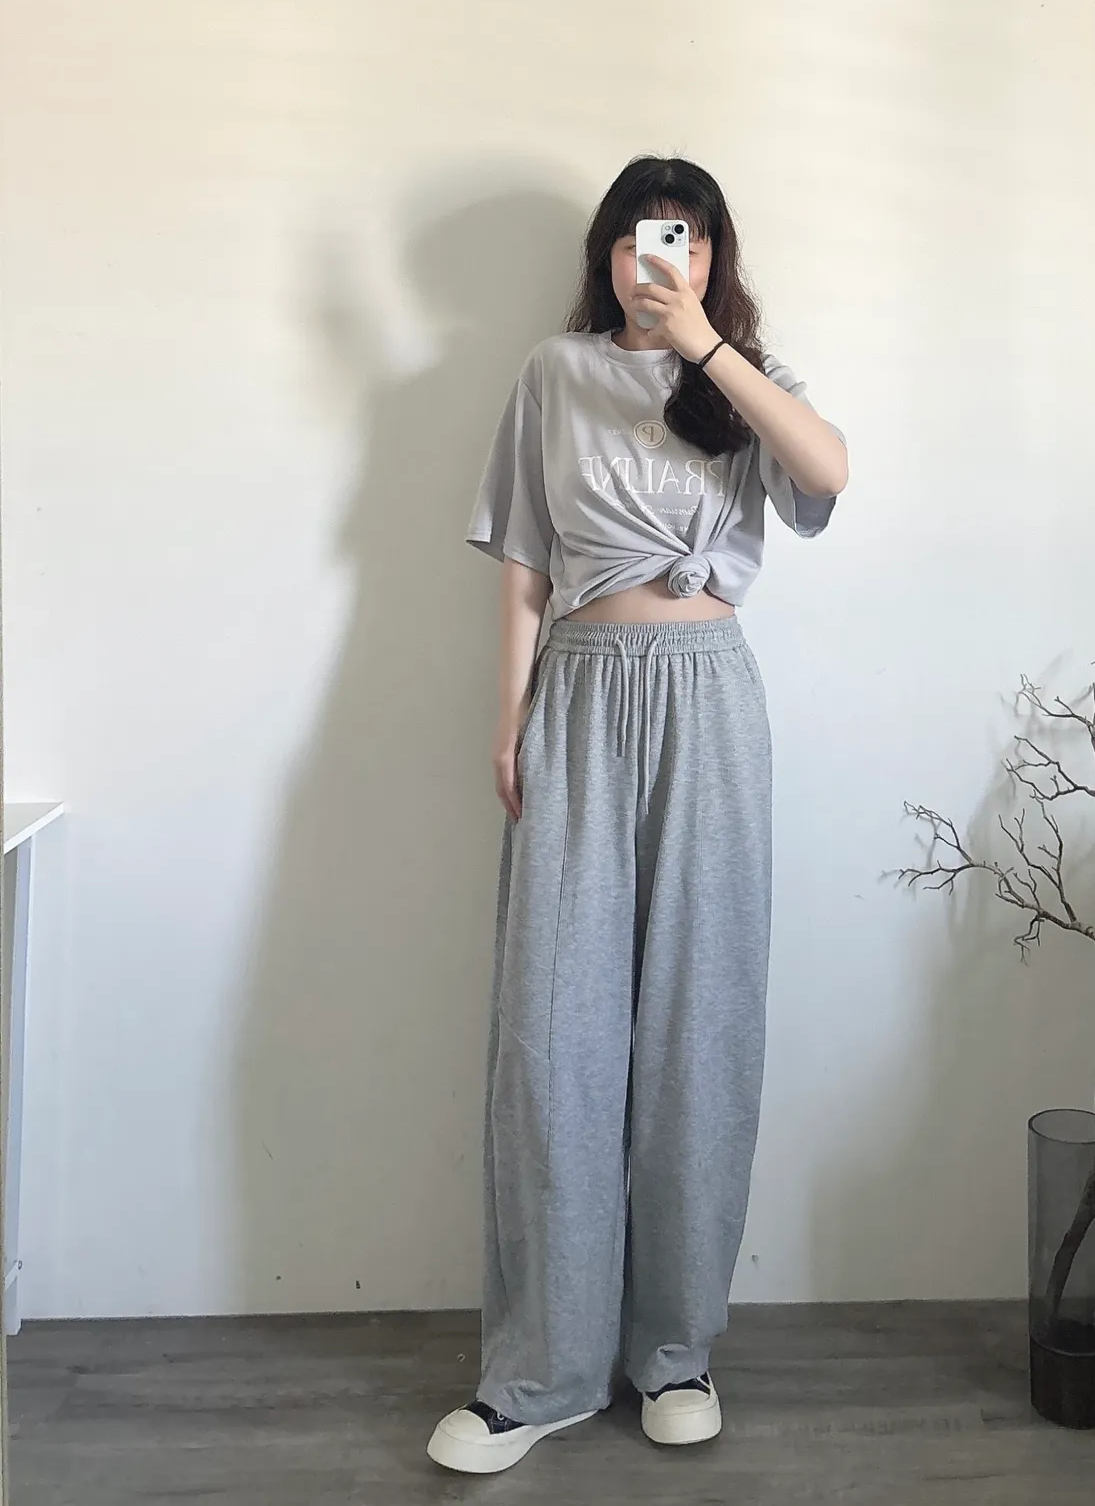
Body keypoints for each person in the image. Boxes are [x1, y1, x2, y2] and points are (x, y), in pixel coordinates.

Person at [428, 155, 848, 1474]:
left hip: (710, 699)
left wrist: (708, 346)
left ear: (715, 256)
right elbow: (522, 562)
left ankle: (674, 1350)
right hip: (581, 693)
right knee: (553, 1032)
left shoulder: (743, 378)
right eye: (635, 238)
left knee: (697, 1026)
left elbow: (828, 473)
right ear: (606, 256)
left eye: (685, 237)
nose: (657, 259)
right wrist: (509, 717)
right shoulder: (554, 374)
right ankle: (543, 1372)